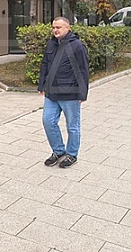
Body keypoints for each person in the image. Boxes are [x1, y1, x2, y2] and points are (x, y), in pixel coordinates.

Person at [38, 16, 89, 168]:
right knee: (48, 121)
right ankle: (59, 151)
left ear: (67, 28)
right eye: (53, 27)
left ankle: (72, 154)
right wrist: (41, 85)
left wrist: (82, 93)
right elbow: (45, 65)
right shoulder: (51, 44)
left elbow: (83, 70)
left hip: (70, 94)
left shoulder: (77, 46)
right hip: (51, 93)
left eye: (58, 27)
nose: (55, 30)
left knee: (72, 126)